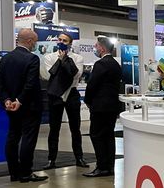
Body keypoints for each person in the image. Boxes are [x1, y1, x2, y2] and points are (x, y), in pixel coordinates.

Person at [0, 28, 47, 182]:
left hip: (10, 106)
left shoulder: (5, 59)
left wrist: (6, 100)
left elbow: (0, 83)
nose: (36, 44)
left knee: (12, 136)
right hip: (29, 107)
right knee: (28, 138)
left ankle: (14, 172)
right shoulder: (32, 59)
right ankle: (26, 172)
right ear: (30, 41)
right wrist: (20, 101)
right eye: (35, 41)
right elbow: (30, 84)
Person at [40, 32, 88, 169]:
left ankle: (79, 157)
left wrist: (66, 60)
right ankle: (51, 159)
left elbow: (76, 74)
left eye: (65, 40)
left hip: (71, 93)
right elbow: (51, 74)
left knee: (75, 128)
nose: (61, 42)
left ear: (70, 43)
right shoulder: (49, 57)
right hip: (55, 94)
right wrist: (61, 61)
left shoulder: (78, 58)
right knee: (54, 128)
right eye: (60, 39)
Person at [83, 37, 121, 177]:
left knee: (97, 136)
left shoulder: (101, 64)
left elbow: (92, 84)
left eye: (96, 45)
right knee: (109, 136)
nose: (95, 47)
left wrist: (88, 100)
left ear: (102, 48)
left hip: (100, 106)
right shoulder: (115, 65)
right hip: (112, 106)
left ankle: (101, 166)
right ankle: (109, 166)